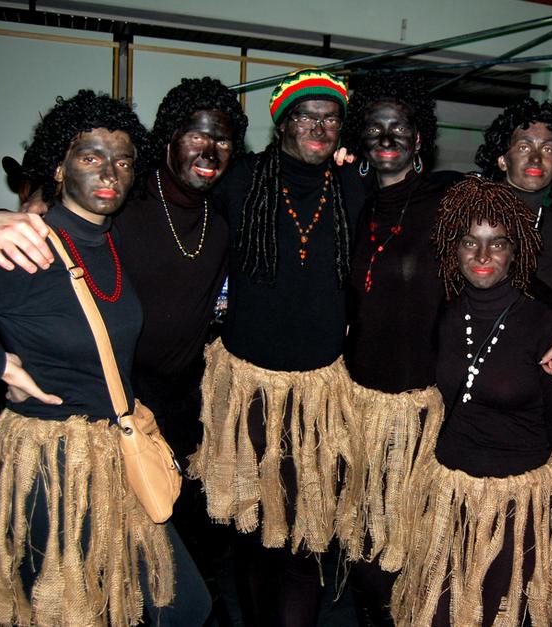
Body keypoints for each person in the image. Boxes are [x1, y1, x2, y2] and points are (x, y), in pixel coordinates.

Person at [0, 90, 210, 626]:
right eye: (91, 156)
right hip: (52, 466)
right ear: (59, 167)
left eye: (123, 161)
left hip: (116, 451)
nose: (109, 172)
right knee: (75, 612)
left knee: (183, 606)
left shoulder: (113, 239)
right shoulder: (26, 250)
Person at [186, 68, 363, 626]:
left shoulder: (353, 187)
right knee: (255, 533)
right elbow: (168, 191)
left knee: (307, 535)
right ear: (283, 123)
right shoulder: (240, 180)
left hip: (319, 398)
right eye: (307, 116)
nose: (319, 127)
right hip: (249, 393)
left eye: (330, 119)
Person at [391, 176, 552, 627]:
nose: (482, 255)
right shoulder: (443, 310)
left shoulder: (543, 324)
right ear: (453, 248)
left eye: (497, 243)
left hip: (517, 506)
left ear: (516, 252)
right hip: (450, 495)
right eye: (470, 242)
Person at [337, 70, 462, 625]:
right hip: (355, 405)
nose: (387, 138)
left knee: (412, 544)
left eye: (399, 128)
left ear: (419, 137)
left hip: (422, 408)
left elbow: (513, 255)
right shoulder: (352, 199)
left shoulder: (449, 195)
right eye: (374, 128)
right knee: (362, 542)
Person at [475, 97, 552, 293]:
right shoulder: (474, 213)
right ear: (502, 160)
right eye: (524, 147)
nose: (536, 158)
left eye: (547, 149)